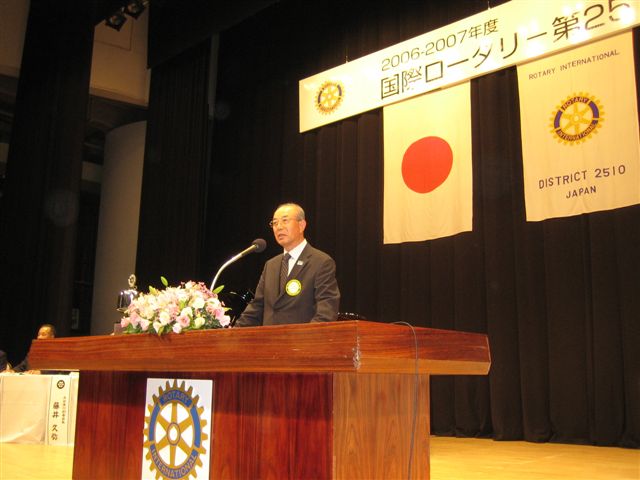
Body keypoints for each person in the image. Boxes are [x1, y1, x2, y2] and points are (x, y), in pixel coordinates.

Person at [235, 203, 340, 326]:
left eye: (285, 220)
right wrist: (231, 333)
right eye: (275, 223)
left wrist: (307, 337)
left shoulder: (321, 262)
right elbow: (256, 308)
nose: (279, 227)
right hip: (270, 337)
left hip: (302, 338)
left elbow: (326, 311)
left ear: (301, 225)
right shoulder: (271, 265)